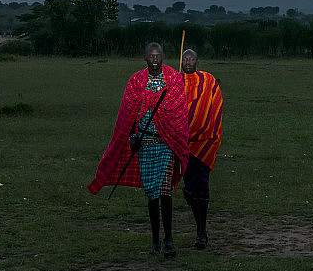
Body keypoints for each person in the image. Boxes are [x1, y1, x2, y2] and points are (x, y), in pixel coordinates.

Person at [88, 43, 189, 258]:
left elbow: (179, 111)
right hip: (145, 145)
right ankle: (155, 241)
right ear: (145, 58)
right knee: (152, 194)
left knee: (165, 192)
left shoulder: (173, 79)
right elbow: (129, 113)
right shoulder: (135, 81)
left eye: (158, 56)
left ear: (163, 57)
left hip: (165, 144)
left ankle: (169, 240)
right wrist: (134, 135)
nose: (155, 60)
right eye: (151, 56)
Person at [181, 49, 224, 249]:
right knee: (189, 189)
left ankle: (201, 231)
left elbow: (215, 106)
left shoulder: (208, 80)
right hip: (183, 144)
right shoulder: (175, 81)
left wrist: (206, 127)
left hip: (205, 143)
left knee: (202, 186)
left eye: (191, 59)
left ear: (197, 61)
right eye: (184, 59)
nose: (187, 62)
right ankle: (199, 226)